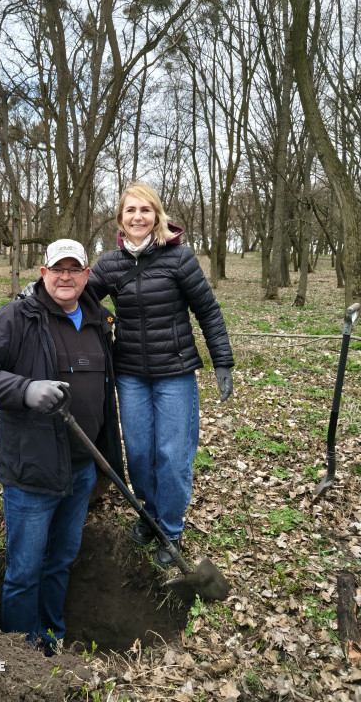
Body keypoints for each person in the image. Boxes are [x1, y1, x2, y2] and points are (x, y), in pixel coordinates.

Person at [0, 239, 123, 655]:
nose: (65, 277)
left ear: (87, 275)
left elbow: (106, 394)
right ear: (43, 272)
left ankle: (51, 637)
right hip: (32, 471)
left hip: (82, 469)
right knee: (25, 571)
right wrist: (25, 389)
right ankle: (18, 653)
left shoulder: (100, 321)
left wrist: (108, 463)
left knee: (61, 562)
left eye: (74, 269)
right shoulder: (18, 317)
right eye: (57, 269)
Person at [89, 183, 234, 569]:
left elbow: (208, 310)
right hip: (131, 374)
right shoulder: (109, 264)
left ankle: (169, 528)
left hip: (175, 373)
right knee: (138, 453)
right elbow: (76, 294)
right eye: (130, 210)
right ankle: (149, 514)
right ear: (121, 219)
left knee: (172, 455)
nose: (138, 217)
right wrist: (38, 294)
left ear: (158, 216)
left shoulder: (180, 258)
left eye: (146, 210)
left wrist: (222, 361)